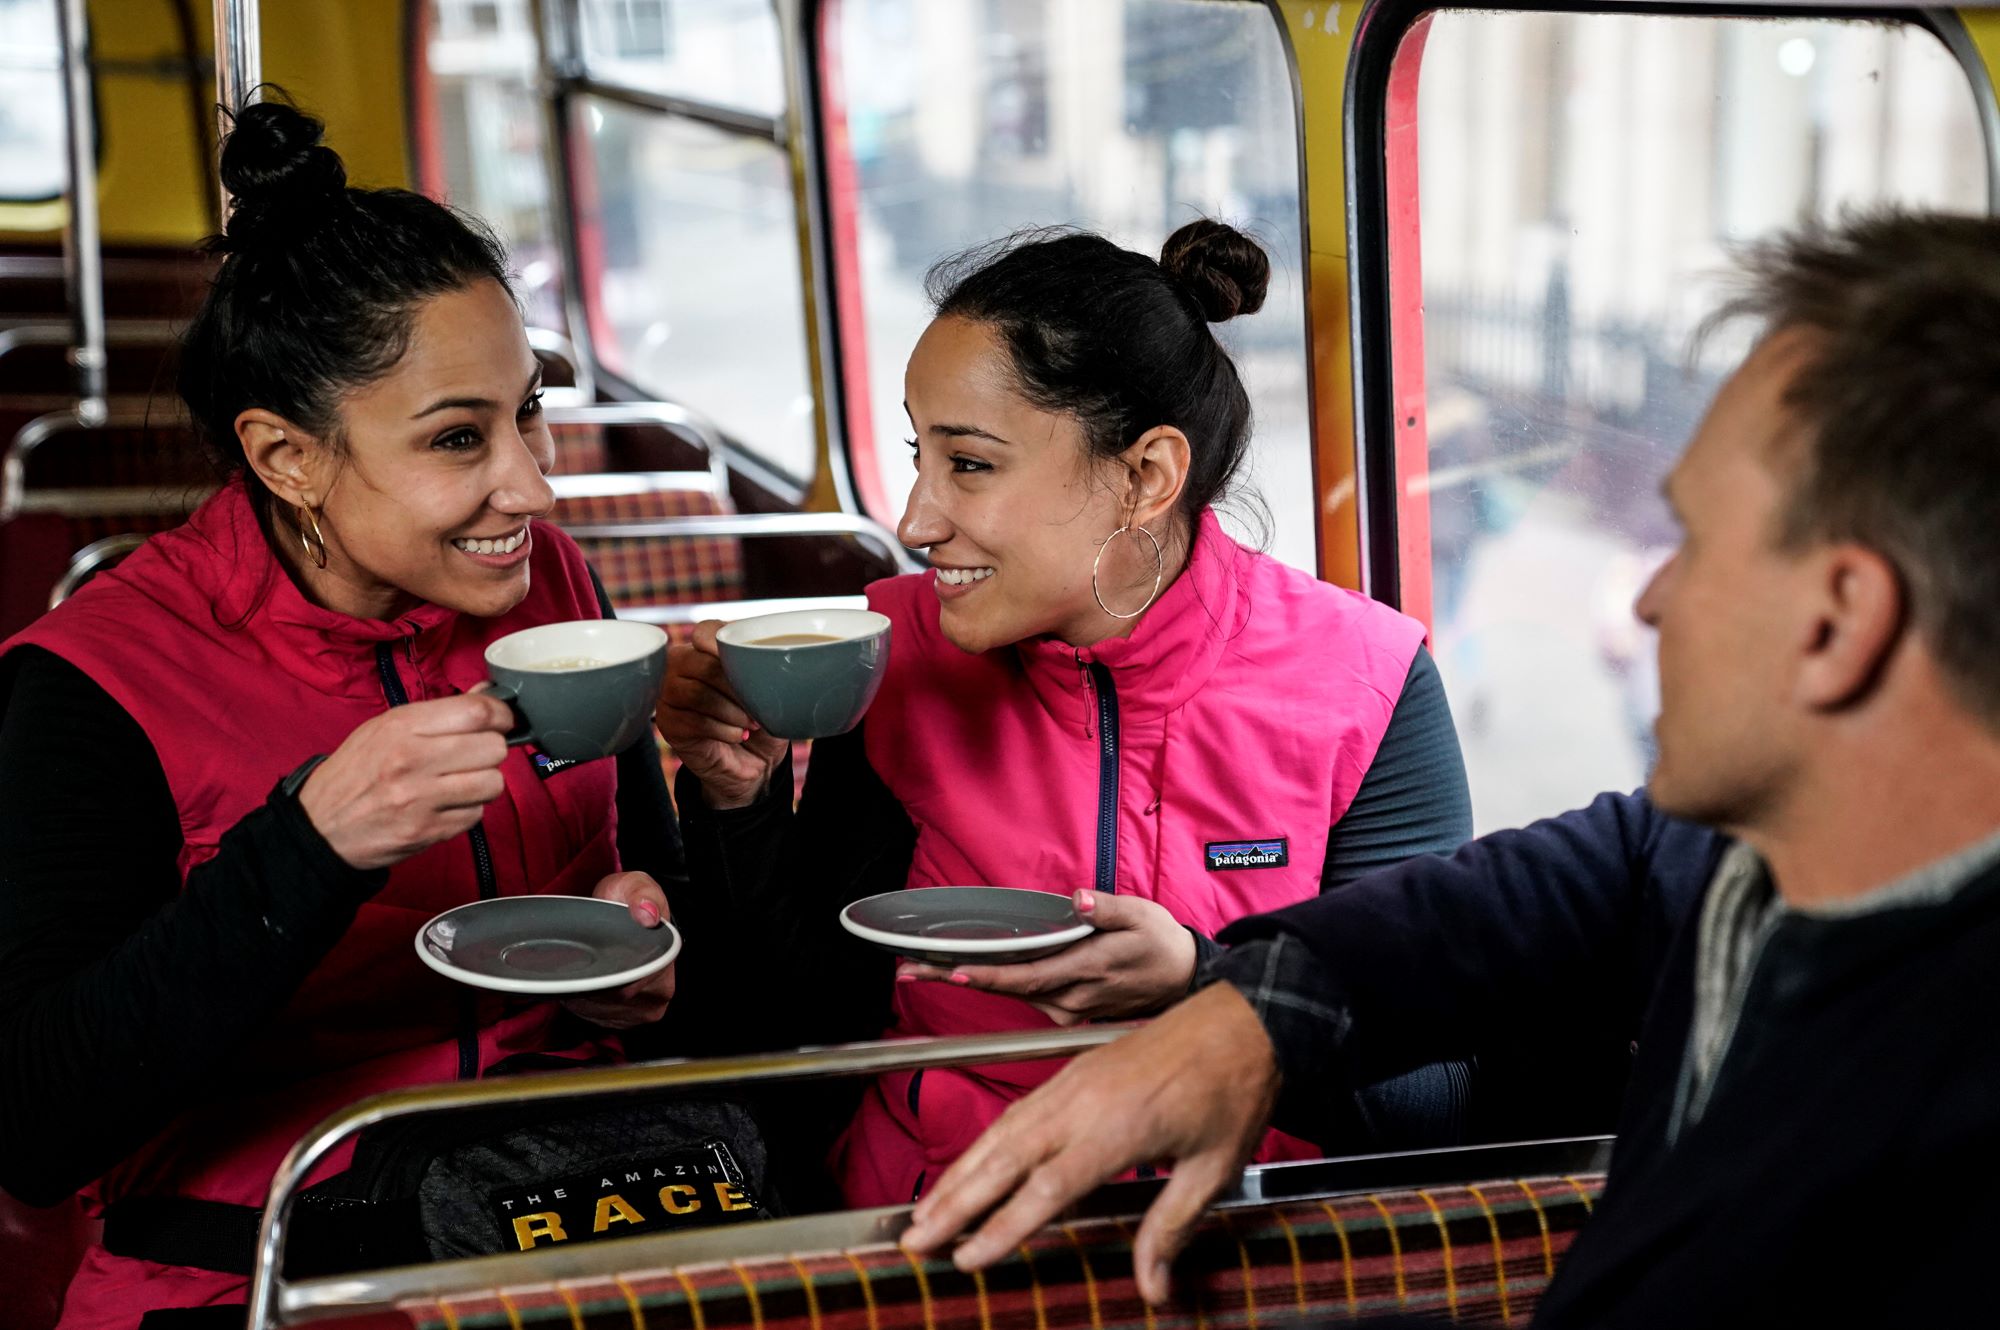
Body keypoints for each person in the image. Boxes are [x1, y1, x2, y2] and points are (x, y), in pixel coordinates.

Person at [900, 212, 2000, 1326]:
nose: (1651, 600)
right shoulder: (1721, 859)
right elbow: (1573, 876)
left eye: (1694, 545)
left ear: (1839, 620)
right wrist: (1238, 1012)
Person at [0, 98, 701, 1327]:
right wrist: (307, 846)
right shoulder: (91, 683)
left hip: (574, 1203)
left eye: (527, 411)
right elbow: (37, 1120)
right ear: (286, 459)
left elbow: (657, 891)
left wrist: (639, 942)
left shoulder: (555, 590)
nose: (531, 486)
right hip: (262, 1257)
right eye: (457, 438)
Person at [660, 222, 1474, 1210]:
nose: (915, 521)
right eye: (920, 456)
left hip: (1243, 1233)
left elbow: (1424, 1099)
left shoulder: (1367, 684)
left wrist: (1204, 985)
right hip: (942, 1214)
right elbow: (810, 1009)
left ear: (1145, 478)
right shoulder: (896, 649)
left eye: (967, 465)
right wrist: (737, 798)